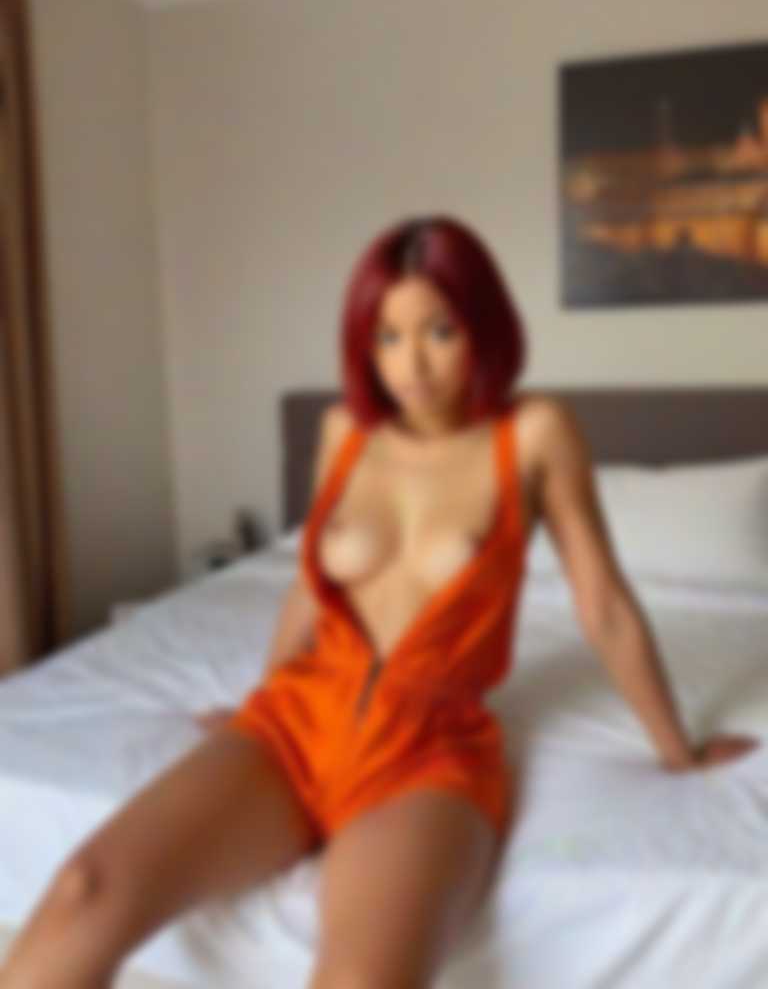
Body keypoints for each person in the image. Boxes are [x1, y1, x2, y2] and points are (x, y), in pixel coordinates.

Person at [1, 215, 758, 989]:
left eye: (439, 331)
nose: (412, 364)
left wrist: (680, 751)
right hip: (296, 722)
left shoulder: (535, 433)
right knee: (82, 890)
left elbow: (604, 607)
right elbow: (309, 586)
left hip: (428, 753)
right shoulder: (345, 431)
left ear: (484, 326)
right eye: (388, 336)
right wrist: (259, 697)